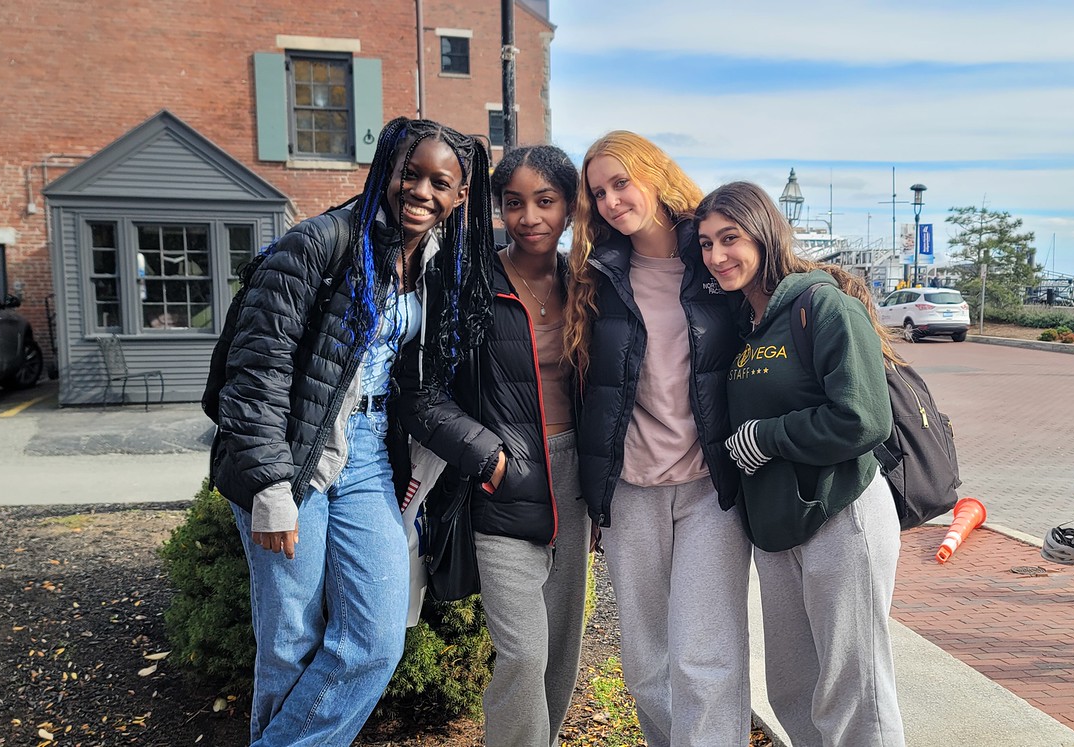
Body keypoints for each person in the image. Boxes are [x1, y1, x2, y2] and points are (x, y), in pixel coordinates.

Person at [211, 117, 494, 744]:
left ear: (460, 196)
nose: (421, 191)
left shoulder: (432, 263)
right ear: (385, 172)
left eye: (439, 182)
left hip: (366, 454)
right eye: (410, 174)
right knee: (290, 640)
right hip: (291, 453)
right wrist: (270, 488)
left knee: (374, 639)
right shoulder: (320, 243)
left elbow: (414, 381)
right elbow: (257, 368)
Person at [696, 182, 906, 747]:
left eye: (730, 239)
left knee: (854, 690)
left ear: (764, 233)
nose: (717, 256)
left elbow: (864, 418)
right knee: (792, 687)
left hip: (843, 514)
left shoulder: (823, 305)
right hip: (776, 526)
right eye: (706, 243)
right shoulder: (744, 326)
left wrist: (770, 435)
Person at [394, 144, 587, 747]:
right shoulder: (470, 281)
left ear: (570, 208)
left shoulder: (587, 283)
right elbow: (416, 389)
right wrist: (487, 455)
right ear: (496, 208)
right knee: (524, 654)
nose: (529, 216)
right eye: (513, 203)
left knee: (561, 651)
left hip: (573, 480)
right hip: (500, 483)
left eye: (545, 201)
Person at [563, 131, 749, 746]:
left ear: (653, 173)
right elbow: (583, 381)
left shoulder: (714, 257)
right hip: (630, 491)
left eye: (622, 182)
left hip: (708, 488)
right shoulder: (596, 275)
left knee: (707, 656)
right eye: (599, 193)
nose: (613, 200)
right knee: (647, 665)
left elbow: (776, 299)